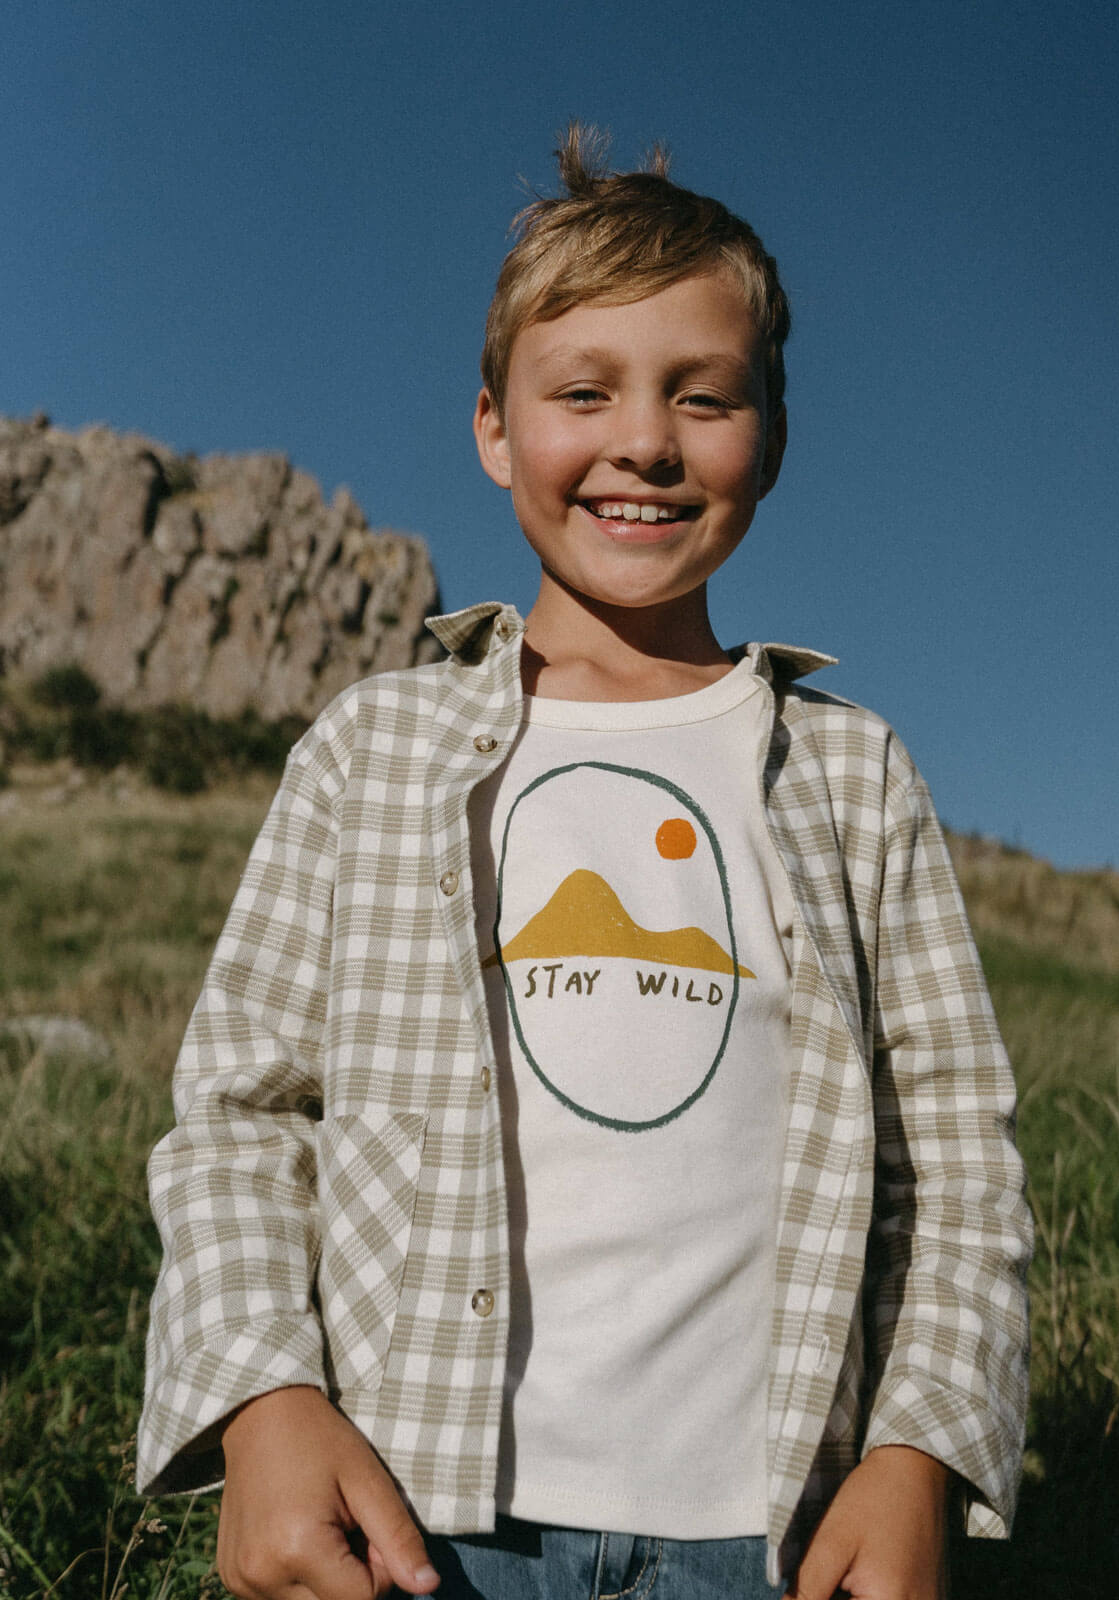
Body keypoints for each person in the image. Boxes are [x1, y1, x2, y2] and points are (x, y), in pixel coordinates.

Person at [138, 126, 1032, 1600]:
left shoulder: (854, 774)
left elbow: (954, 1163)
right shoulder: (376, 751)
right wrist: (263, 1401)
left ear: (772, 435)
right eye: (583, 392)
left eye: (704, 396)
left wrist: (917, 1452)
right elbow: (241, 1113)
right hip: (418, 1522)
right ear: (495, 429)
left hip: (770, 1539)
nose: (646, 443)